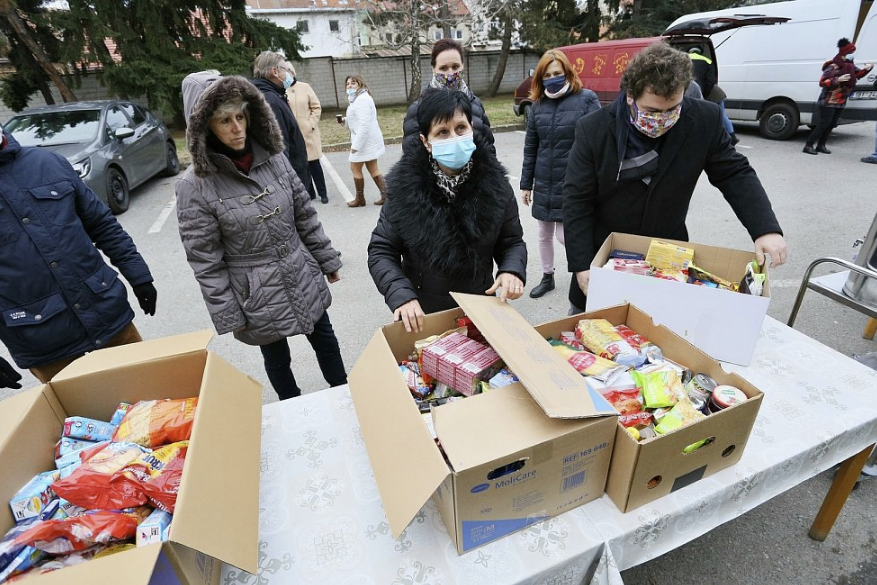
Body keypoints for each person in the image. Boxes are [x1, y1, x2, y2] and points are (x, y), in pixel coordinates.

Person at [563, 42, 788, 313]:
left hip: (667, 255)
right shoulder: (594, 129)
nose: (663, 119)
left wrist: (765, 228)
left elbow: (734, 173)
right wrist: (581, 264)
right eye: (653, 111)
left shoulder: (704, 119)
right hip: (604, 255)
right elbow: (577, 200)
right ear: (630, 96)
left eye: (673, 109)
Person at [176, 76, 346, 401]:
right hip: (254, 287)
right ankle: (291, 407)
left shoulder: (273, 156)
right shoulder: (194, 185)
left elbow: (304, 215)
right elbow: (205, 259)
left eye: (240, 117)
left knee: (325, 337)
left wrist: (326, 259)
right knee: (277, 358)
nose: (237, 128)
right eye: (225, 120)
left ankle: (344, 393)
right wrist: (228, 312)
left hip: (299, 267)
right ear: (205, 127)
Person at [0, 123, 156, 385]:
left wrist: (138, 274)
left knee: (149, 405)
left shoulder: (46, 163)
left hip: (109, 318)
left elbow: (101, 224)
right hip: (45, 344)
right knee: (82, 422)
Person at [368, 89, 527, 333]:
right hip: (423, 314)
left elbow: (512, 241)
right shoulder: (405, 190)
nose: (454, 137)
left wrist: (511, 270)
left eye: (460, 128)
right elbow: (381, 250)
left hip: (479, 306)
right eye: (442, 132)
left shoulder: (496, 186)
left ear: (471, 129)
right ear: (426, 142)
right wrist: (401, 295)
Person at [520, 49, 600, 299]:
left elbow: (599, 142)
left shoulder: (586, 99)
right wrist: (526, 184)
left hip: (573, 181)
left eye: (557, 73)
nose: (552, 78)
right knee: (543, 234)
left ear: (567, 72)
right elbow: (531, 147)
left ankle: (586, 270)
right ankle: (547, 277)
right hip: (544, 179)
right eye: (547, 74)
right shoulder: (537, 106)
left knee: (566, 235)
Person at [401, 38, 495, 155]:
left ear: (462, 66)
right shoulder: (418, 109)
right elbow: (411, 157)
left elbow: (488, 148)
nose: (450, 74)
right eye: (443, 68)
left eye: (455, 67)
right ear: (433, 69)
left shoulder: (475, 104)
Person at [250, 51, 314, 198]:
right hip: (289, 182)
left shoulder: (272, 95)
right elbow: (280, 147)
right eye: (285, 70)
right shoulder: (271, 101)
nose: (289, 74)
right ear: (275, 71)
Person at [804, 38, 874, 155]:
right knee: (823, 124)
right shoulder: (832, 66)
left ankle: (821, 145)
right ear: (844, 53)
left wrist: (867, 69)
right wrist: (838, 79)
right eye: (850, 53)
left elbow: (857, 75)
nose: (851, 56)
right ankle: (808, 145)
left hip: (841, 100)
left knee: (831, 124)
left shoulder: (850, 66)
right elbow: (822, 82)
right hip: (828, 100)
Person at [285, 62, 329, 204]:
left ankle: (323, 193)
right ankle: (309, 193)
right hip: (292, 134)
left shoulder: (304, 87)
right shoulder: (281, 91)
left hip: (308, 132)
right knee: (301, 165)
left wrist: (310, 123)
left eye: (288, 71)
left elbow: (316, 107)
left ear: (293, 72)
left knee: (314, 164)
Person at [343, 74, 387, 207]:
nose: (349, 86)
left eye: (353, 83)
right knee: (373, 168)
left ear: (360, 85)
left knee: (354, 168)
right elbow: (359, 120)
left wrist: (356, 145)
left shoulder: (361, 99)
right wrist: (344, 121)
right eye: (348, 84)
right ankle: (387, 196)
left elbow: (364, 124)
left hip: (363, 141)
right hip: (367, 140)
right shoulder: (357, 98)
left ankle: (360, 199)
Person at [688, 46, 738, 145]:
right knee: (721, 115)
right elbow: (711, 79)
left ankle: (719, 139)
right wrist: (706, 92)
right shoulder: (707, 60)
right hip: (715, 93)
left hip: (708, 94)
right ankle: (732, 137)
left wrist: (703, 95)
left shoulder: (683, 60)